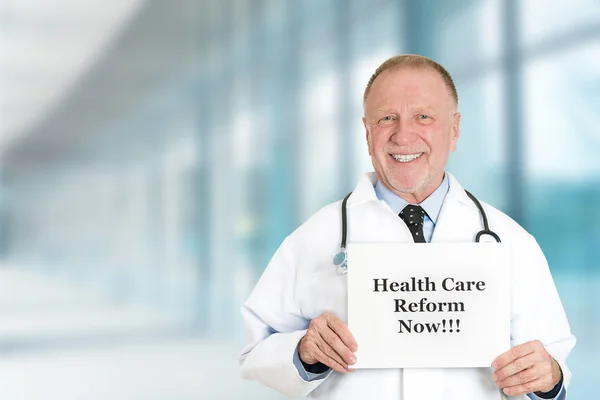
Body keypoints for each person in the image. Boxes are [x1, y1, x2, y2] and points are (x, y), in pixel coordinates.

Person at [239, 55, 575, 400]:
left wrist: (547, 377)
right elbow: (256, 350)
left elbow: (552, 367)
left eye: (423, 117)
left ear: (454, 129)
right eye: (387, 119)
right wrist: (304, 352)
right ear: (368, 134)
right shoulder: (314, 239)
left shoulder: (512, 242)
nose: (403, 135)